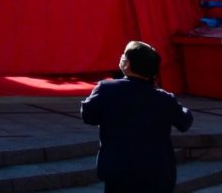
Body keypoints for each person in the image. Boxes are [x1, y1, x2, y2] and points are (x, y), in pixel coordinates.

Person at [81, 40, 193, 193]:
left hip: (119, 171)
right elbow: (185, 121)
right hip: (157, 172)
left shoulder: (107, 89)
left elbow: (88, 116)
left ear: (126, 64)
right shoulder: (164, 99)